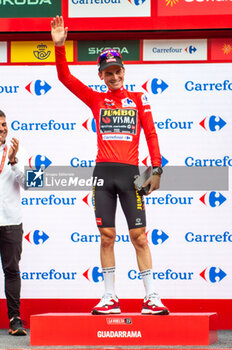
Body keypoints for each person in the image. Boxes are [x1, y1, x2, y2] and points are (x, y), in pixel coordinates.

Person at [51, 15, 169, 315]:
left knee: (139, 237)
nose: (114, 77)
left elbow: (151, 133)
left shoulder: (138, 98)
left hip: (130, 174)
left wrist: (156, 168)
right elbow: (66, 79)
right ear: (101, 76)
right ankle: (109, 297)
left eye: (117, 71)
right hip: (103, 174)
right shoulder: (95, 99)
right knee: (107, 236)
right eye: (108, 73)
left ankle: (151, 296)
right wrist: (60, 47)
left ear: (124, 72)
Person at [0, 110, 27, 335]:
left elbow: (29, 184)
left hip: (10, 222)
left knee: (12, 271)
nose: (2, 128)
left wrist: (13, 161)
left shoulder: (18, 151)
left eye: (4, 124)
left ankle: (15, 319)